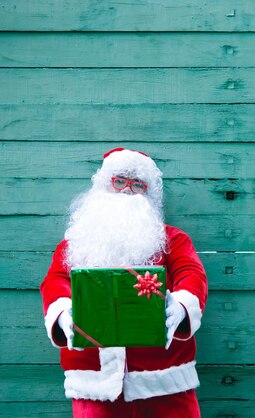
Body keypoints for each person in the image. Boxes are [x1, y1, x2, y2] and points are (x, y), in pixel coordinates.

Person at [40, 148, 208, 417]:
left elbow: (192, 273)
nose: (127, 191)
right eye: (119, 181)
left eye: (138, 185)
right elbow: (56, 281)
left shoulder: (172, 240)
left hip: (164, 380)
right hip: (94, 382)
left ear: (149, 194)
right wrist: (62, 314)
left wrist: (182, 305)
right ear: (104, 185)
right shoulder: (75, 244)